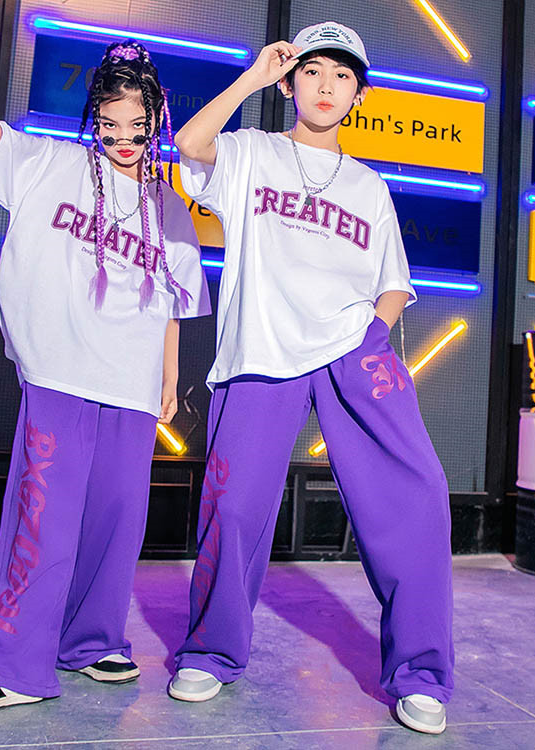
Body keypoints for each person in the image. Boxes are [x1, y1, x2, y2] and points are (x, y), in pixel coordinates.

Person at [0, 39, 210, 717]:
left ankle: (91, 641)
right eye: (110, 125)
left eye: (137, 126)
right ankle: (10, 664)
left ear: (157, 121)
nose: (123, 139)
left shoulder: (168, 205)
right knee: (44, 521)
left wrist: (169, 377)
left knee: (116, 521)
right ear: (94, 119)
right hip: (61, 373)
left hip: (131, 384)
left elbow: (172, 302)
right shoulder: (53, 164)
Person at [167, 22, 453, 735]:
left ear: (358, 95)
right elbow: (191, 146)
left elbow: (393, 281)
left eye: (343, 75)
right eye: (314, 71)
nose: (327, 86)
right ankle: (211, 651)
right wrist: (250, 79)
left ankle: (420, 674)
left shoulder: (368, 185)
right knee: (234, 508)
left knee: (419, 497)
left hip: (353, 348)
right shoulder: (252, 152)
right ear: (291, 82)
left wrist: (373, 335)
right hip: (262, 350)